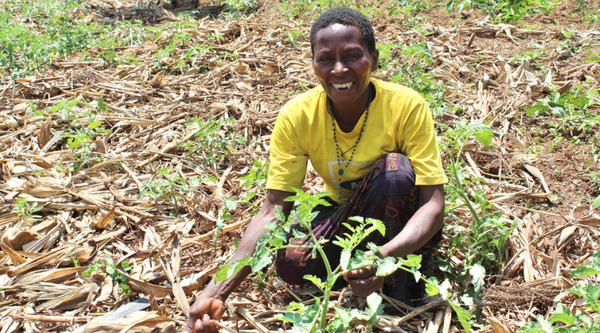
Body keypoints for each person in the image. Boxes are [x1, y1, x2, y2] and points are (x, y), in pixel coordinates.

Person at [186, 7, 447, 333]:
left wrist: (386, 256)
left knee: (394, 171)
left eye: (352, 55)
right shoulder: (297, 115)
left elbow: (433, 205)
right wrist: (216, 290)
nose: (339, 69)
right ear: (313, 64)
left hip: (400, 224)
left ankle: (400, 286)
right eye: (326, 59)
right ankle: (354, 275)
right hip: (345, 214)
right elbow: (272, 212)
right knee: (291, 262)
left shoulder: (406, 106)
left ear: (374, 59)